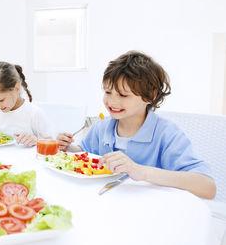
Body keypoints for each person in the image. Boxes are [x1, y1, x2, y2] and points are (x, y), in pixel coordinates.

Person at [57, 51, 216, 199]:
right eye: (107, 92)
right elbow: (86, 154)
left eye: (123, 95)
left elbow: (207, 187)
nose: (112, 101)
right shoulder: (102, 128)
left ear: (150, 96)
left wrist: (141, 171)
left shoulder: (166, 134)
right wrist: (68, 148)